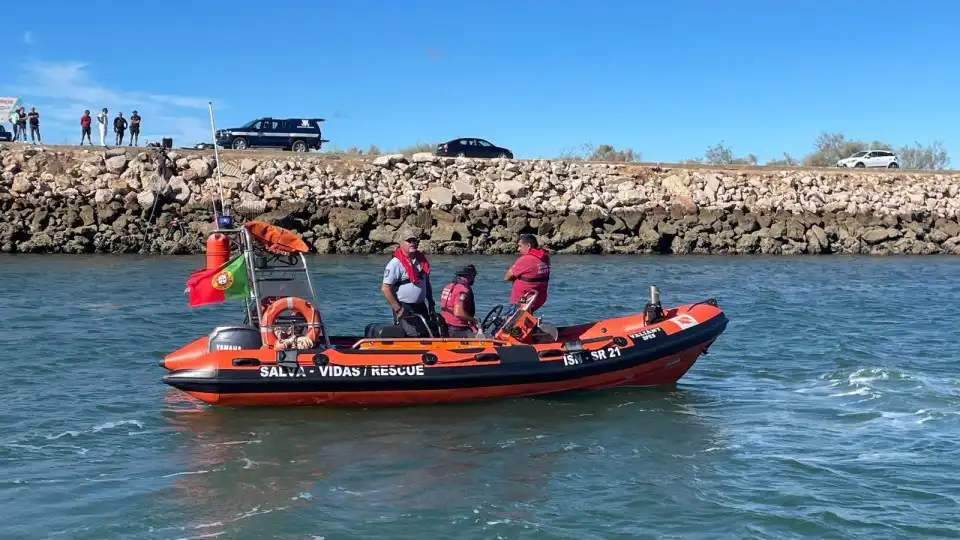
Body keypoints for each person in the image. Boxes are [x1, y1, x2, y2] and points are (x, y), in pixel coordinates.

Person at [381, 228, 436, 337]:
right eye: (409, 241)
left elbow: (426, 283)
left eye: (414, 241)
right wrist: (397, 308)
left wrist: (430, 301)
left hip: (420, 305)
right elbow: (385, 288)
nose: (412, 243)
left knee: (427, 333)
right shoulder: (395, 264)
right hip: (404, 307)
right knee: (410, 335)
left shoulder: (422, 261)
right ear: (401, 243)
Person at [504, 233, 551, 313]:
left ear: (528, 245)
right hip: (537, 299)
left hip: (523, 301)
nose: (518, 249)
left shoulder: (525, 259)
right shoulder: (545, 258)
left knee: (513, 320)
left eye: (520, 246)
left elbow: (507, 277)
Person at [439, 264, 480, 338]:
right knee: (480, 337)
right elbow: (458, 312)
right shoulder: (462, 290)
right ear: (470, 275)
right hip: (457, 329)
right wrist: (474, 320)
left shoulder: (449, 286)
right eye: (474, 275)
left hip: (445, 325)